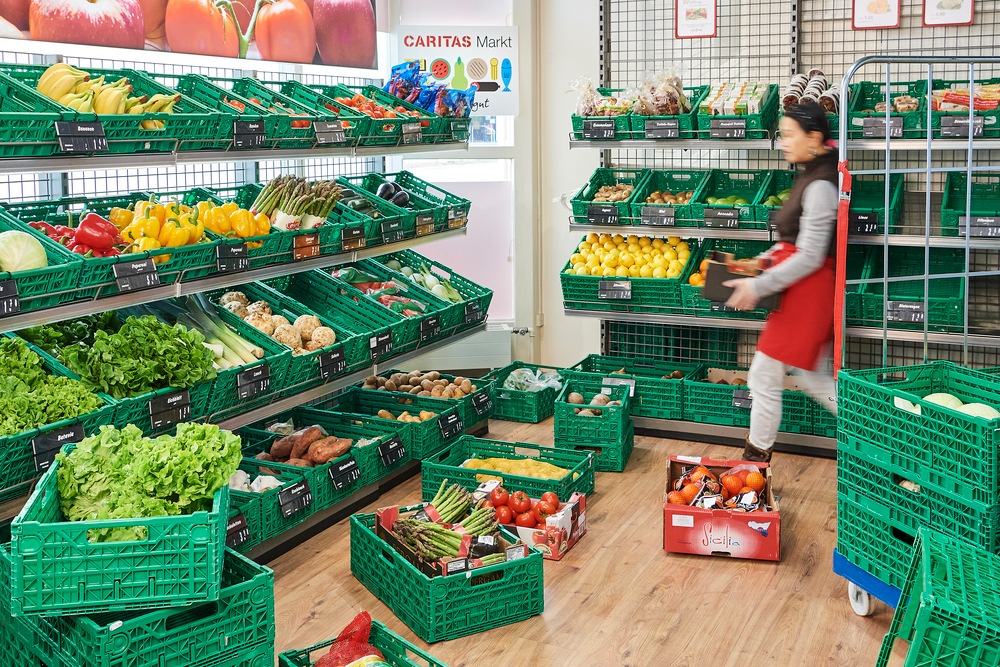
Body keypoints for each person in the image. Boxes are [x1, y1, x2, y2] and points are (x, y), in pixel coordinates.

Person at [723, 101, 839, 463]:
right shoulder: (812, 172)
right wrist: (763, 261)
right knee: (808, 378)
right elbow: (793, 240)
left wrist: (757, 286)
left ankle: (753, 468)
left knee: (770, 375)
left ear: (815, 137)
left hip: (807, 292)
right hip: (800, 289)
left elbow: (810, 254)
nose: (783, 142)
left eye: (790, 135)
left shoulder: (822, 184)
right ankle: (886, 436)